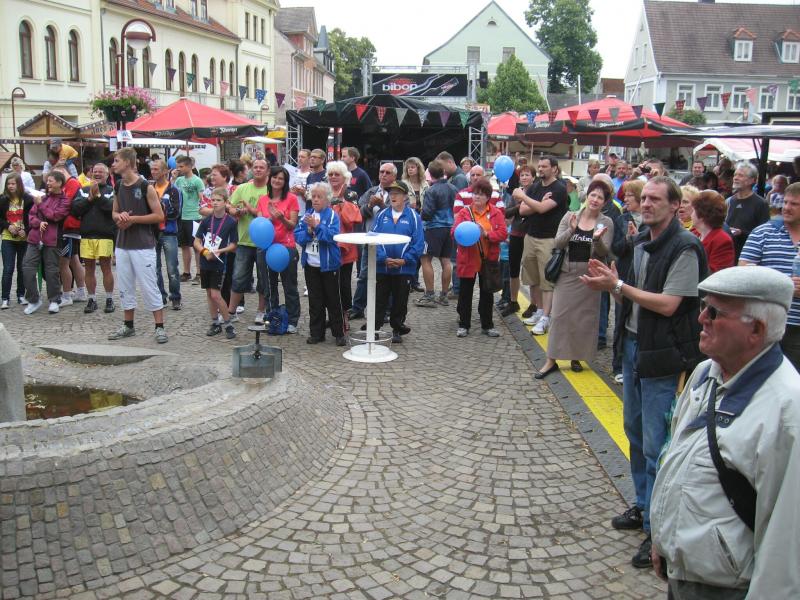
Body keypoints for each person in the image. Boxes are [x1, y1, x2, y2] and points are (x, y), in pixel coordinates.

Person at [580, 175, 707, 568]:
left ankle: (657, 529)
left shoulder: (685, 247)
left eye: (655, 199)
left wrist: (618, 285)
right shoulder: (640, 243)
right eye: (644, 198)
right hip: (634, 346)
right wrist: (610, 285)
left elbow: (669, 304)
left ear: (675, 206)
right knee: (634, 432)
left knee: (656, 444)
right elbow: (628, 295)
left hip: (663, 354)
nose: (646, 204)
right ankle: (641, 504)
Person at [650, 266, 800, 599]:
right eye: (704, 306)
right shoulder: (706, 372)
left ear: (756, 329)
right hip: (685, 573)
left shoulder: (788, 410)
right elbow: (676, 456)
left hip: (727, 588)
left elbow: (786, 539)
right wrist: (662, 540)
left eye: (715, 312)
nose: (701, 317)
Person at [535, 180, 615, 378]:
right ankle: (551, 360)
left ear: (605, 202)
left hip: (591, 276)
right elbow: (558, 243)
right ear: (587, 196)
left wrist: (597, 239)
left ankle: (576, 357)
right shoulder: (570, 216)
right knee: (559, 316)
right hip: (567, 273)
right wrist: (571, 229)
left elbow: (604, 252)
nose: (595, 200)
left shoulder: (606, 222)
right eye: (593, 195)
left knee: (584, 319)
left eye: (600, 197)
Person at [107, 147, 167, 343]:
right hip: (123, 244)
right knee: (125, 286)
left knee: (149, 285)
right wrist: (120, 216)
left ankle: (159, 327)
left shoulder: (145, 186)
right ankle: (128, 325)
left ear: (127, 162)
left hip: (143, 245)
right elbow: (114, 212)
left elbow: (159, 216)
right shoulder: (118, 186)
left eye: (116, 160)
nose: (113, 164)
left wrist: (133, 219)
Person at [739, 182, 800, 370]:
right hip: (766, 323)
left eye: (794, 204)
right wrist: (783, 285)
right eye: (786, 202)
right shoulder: (763, 232)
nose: (787, 208)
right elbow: (743, 273)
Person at [517, 156, 569, 335]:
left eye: (544, 166)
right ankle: (539, 311)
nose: (540, 169)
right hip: (531, 236)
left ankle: (546, 317)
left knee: (547, 280)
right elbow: (522, 210)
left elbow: (541, 209)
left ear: (554, 169)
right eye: (539, 166)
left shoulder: (559, 188)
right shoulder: (536, 187)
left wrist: (524, 197)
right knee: (532, 279)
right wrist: (537, 202)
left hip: (549, 239)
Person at [451, 177, 507, 338]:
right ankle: (464, 324)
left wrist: (487, 234)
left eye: (481, 194)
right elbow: (454, 232)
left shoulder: (495, 213)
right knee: (465, 293)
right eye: (475, 193)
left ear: (488, 197)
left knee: (487, 293)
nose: (477, 197)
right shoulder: (464, 212)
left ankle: (487, 325)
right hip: (468, 259)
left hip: (487, 259)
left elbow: (503, 234)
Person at [370, 181, 425, 343]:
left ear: (405, 197)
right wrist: (383, 258)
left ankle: (397, 328)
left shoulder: (414, 217)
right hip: (383, 267)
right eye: (391, 193)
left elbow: (418, 243)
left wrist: (404, 260)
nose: (393, 196)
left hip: (404, 269)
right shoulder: (381, 215)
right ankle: (374, 328)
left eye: (397, 193)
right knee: (379, 299)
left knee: (400, 300)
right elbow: (373, 239)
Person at [294, 182, 346, 346]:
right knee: (315, 300)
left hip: (329, 265)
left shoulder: (332, 216)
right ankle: (317, 333)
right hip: (311, 265)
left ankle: (339, 333)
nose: (315, 199)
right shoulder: (307, 215)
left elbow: (331, 237)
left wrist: (317, 226)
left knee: (333, 300)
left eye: (319, 197)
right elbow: (298, 237)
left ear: (327, 199)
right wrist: (309, 232)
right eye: (313, 196)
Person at [350, 163, 397, 319]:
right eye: (381, 171)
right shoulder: (371, 191)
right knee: (364, 274)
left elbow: (397, 215)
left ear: (394, 176)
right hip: (370, 240)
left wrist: (382, 205)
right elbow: (359, 213)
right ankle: (357, 308)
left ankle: (387, 311)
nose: (383, 175)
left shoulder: (398, 193)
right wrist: (370, 205)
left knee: (387, 276)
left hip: (389, 242)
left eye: (387, 172)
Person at [610, 179, 646, 383]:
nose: (626, 199)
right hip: (625, 271)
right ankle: (618, 364)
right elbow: (616, 248)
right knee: (621, 317)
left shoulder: (651, 221)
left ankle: (637, 363)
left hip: (643, 274)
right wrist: (627, 238)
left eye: (630, 195)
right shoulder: (622, 219)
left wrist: (638, 236)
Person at [257, 165, 300, 334]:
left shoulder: (291, 199)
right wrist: (270, 218)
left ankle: (293, 320)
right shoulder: (262, 199)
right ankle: (272, 318)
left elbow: (292, 225)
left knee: (290, 286)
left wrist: (281, 218)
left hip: (285, 248)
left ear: (285, 182)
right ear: (270, 179)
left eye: (281, 178)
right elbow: (260, 224)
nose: (277, 180)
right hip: (266, 248)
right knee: (269, 287)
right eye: (274, 177)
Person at [227, 159, 270, 323]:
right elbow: (229, 206)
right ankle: (231, 312)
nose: (258, 170)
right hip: (244, 240)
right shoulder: (242, 188)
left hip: (264, 242)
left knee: (263, 279)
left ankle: (261, 311)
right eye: (255, 167)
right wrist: (235, 211)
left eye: (261, 167)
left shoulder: (271, 189)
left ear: (267, 171)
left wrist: (252, 211)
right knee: (238, 278)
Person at [21, 171, 71, 315]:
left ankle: (54, 300)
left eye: (51, 181)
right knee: (27, 267)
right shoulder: (42, 197)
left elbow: (55, 216)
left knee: (51, 270)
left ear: (59, 183)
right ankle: (33, 299)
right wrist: (39, 222)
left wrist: (41, 205)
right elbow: (31, 216)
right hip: (34, 238)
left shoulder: (65, 201)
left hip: (52, 240)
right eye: (47, 181)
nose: (47, 183)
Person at [70, 163, 116, 314]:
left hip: (105, 235)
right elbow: (75, 210)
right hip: (86, 235)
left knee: (106, 267)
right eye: (95, 171)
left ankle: (109, 299)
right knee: (89, 269)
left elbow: (111, 208)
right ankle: (92, 299)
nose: (97, 174)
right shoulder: (83, 191)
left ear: (107, 174)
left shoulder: (111, 191)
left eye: (101, 172)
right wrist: (89, 198)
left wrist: (97, 196)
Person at [194, 187, 238, 339]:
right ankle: (215, 323)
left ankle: (228, 324)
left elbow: (234, 245)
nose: (215, 203)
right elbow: (197, 241)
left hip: (219, 263)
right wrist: (204, 252)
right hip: (205, 261)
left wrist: (220, 251)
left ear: (226, 202)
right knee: (209, 293)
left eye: (218, 200)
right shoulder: (206, 220)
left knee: (216, 294)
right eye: (212, 200)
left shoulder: (231, 222)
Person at [417, 160, 457, 308]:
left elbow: (427, 213)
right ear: (443, 172)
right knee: (446, 261)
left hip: (434, 228)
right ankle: (444, 295)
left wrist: (420, 213)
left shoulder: (431, 190)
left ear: (430, 174)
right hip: (450, 227)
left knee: (425, 258)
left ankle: (429, 295)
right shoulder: (453, 188)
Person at [325, 161, 362, 316]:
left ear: (344, 177)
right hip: (326, 244)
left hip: (344, 247)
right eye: (330, 174)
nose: (333, 177)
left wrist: (341, 202)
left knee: (344, 283)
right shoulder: (323, 192)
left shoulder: (350, 195)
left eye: (337, 174)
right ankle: (333, 316)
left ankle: (345, 316)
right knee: (328, 283)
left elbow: (351, 221)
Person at [501, 164, 535, 317]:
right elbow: (506, 213)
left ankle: (534, 304)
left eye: (527, 175)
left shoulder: (537, 192)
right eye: (522, 175)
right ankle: (513, 301)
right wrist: (519, 207)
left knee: (531, 271)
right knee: (513, 270)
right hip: (516, 234)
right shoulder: (516, 193)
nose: (524, 177)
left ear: (533, 177)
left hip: (531, 235)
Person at [151, 159, 183, 310]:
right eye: (152, 169)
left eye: (156, 169)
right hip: (152, 232)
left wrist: (159, 211)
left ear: (165, 171)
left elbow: (176, 212)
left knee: (172, 268)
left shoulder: (173, 190)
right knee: (155, 268)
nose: (153, 172)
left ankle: (175, 297)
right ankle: (161, 297)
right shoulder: (150, 188)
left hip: (169, 232)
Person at [0, 174, 33, 309]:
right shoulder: (2, 199)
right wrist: (8, 226)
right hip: (8, 238)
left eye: (13, 184)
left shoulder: (28, 199)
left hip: (23, 239)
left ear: (19, 184)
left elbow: (32, 218)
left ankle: (21, 295)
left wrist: (27, 230)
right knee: (8, 268)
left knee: (21, 268)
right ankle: (5, 298)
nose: (11, 186)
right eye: (8, 184)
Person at [725, 162, 769, 260]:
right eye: (735, 175)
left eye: (740, 175)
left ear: (752, 180)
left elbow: (765, 234)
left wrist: (742, 233)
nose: (735, 178)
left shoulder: (760, 203)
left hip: (747, 255)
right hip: (728, 253)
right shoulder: (729, 201)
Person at [174, 156, 205, 283]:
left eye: (181, 166)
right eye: (178, 166)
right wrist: (173, 178)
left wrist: (202, 214)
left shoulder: (197, 181)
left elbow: (202, 199)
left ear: (189, 166)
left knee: (196, 246)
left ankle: (199, 272)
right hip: (182, 216)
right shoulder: (179, 180)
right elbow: (174, 193)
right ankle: (186, 272)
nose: (178, 169)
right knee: (184, 246)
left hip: (194, 216)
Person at [690, 190, 735, 274]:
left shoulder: (722, 240)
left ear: (702, 214)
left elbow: (717, 274)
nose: (691, 214)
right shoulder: (693, 233)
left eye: (693, 210)